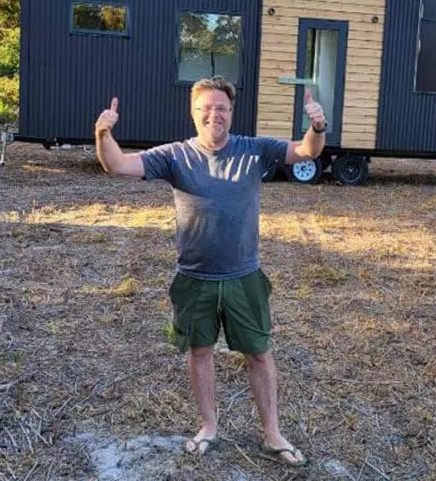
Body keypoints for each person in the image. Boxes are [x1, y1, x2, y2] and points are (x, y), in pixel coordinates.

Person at [94, 75, 326, 467]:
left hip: (244, 277)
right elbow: (116, 164)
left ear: (231, 113)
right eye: (205, 107)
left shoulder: (254, 150)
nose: (213, 114)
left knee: (259, 354)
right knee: (200, 353)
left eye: (221, 107)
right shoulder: (175, 155)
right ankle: (209, 426)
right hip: (194, 278)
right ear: (193, 111)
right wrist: (103, 134)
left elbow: (305, 152)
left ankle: (272, 433)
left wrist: (317, 127)